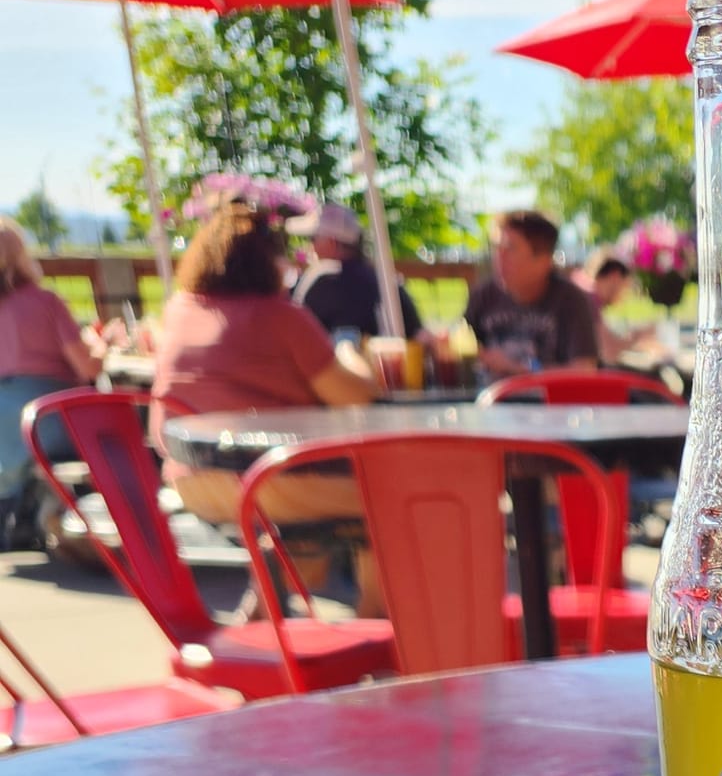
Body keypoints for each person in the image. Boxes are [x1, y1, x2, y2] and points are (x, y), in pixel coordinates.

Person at [151, 199, 380, 606]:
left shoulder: (179, 310)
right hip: (267, 481)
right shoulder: (282, 317)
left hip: (190, 479)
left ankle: (265, 608)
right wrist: (349, 353)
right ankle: (379, 626)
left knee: (309, 512)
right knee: (397, 497)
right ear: (270, 261)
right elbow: (355, 397)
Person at [0, 215, 101, 545]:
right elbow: (87, 368)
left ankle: (24, 505)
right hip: (50, 419)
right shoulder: (46, 302)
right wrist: (102, 348)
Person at [464, 211, 601, 377]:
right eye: (497, 247)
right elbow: (460, 347)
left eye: (510, 248)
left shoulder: (571, 301)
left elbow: (585, 372)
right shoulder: (483, 296)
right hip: (488, 401)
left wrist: (517, 368)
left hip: (546, 402)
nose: (500, 256)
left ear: (543, 261)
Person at [288, 198, 420, 341]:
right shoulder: (387, 283)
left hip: (331, 362)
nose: (310, 246)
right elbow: (418, 334)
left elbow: (295, 335)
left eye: (313, 239)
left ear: (331, 243)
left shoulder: (320, 281)